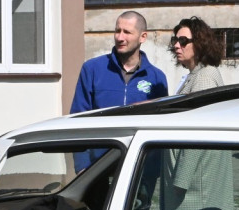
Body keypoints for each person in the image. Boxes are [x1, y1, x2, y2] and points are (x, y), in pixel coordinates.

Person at [70, 11, 168, 170]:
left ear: (143, 37)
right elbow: (78, 119)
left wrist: (152, 171)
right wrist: (82, 166)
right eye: (117, 30)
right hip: (96, 169)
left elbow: (160, 126)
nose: (120, 37)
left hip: (138, 170)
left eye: (127, 32)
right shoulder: (92, 69)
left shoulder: (156, 78)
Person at [160, 17, 233, 210]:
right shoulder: (196, 75)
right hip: (193, 184)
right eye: (175, 40)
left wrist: (180, 182)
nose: (176, 45)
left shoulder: (204, 78)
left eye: (183, 41)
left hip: (195, 188)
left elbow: (197, 131)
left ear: (200, 43)